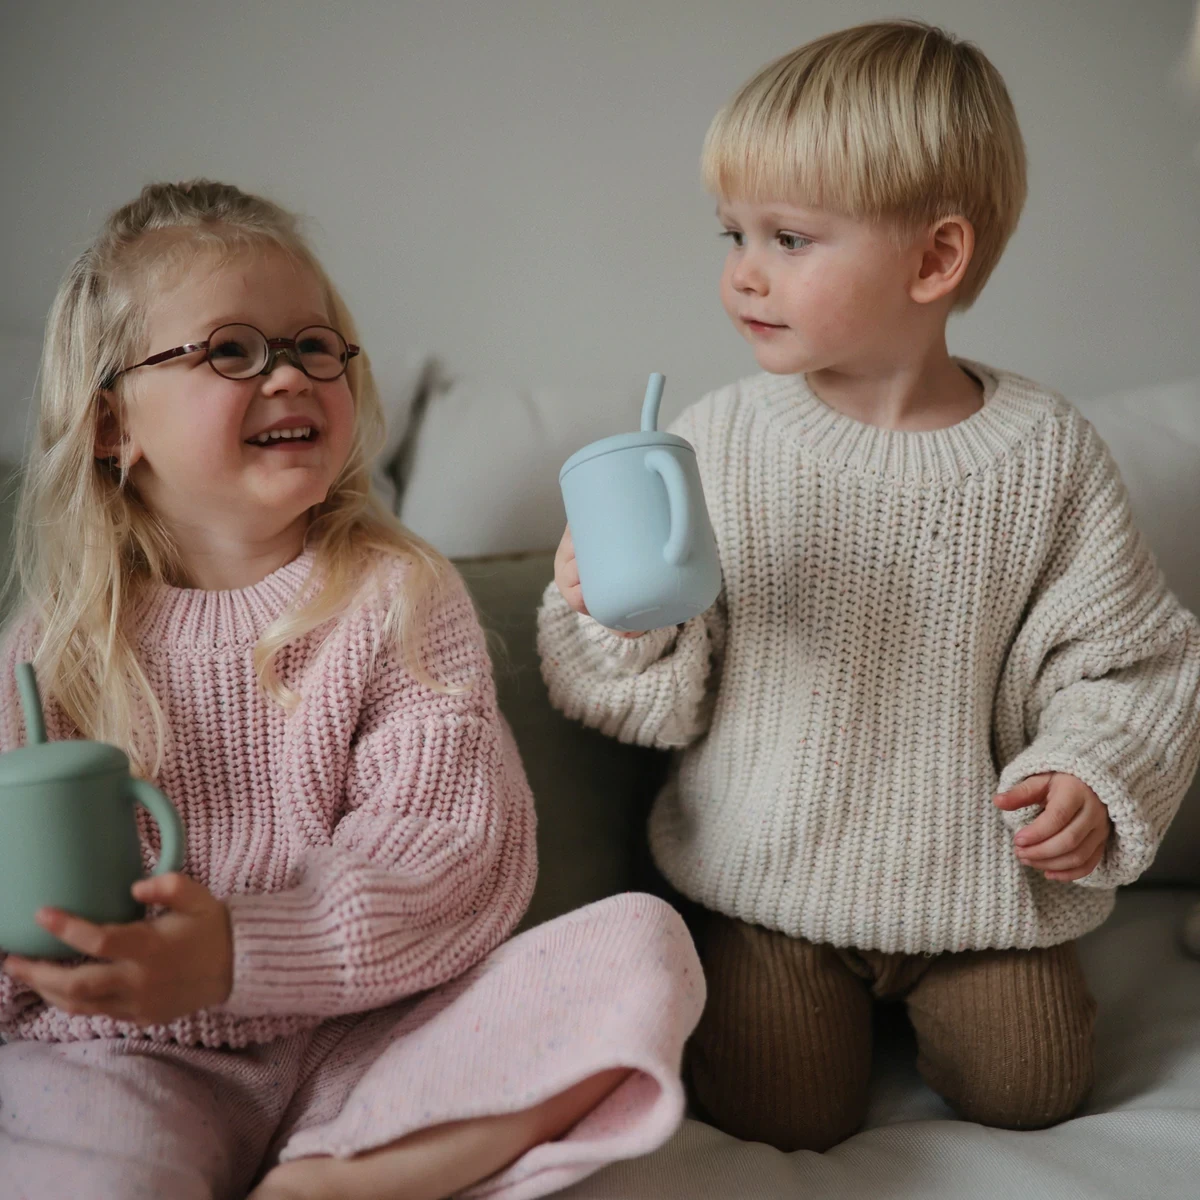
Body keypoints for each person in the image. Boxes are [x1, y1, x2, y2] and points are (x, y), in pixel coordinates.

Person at [538, 20, 1200, 1152]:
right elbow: (647, 703)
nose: (742, 270)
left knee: (1036, 1087)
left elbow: (1129, 660)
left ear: (935, 260)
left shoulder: (1048, 455)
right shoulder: (721, 439)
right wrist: (611, 615)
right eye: (735, 232)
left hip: (973, 891)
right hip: (766, 880)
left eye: (789, 237)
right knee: (780, 1109)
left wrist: (1091, 772)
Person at [0, 179, 703, 1200]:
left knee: (642, 948)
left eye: (313, 346)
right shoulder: (50, 648)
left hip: (370, 1041)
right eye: (231, 350)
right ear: (113, 425)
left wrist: (242, 948)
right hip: (127, 1051)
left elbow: (452, 850)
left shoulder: (397, 597)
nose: (286, 374)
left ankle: (332, 1186)